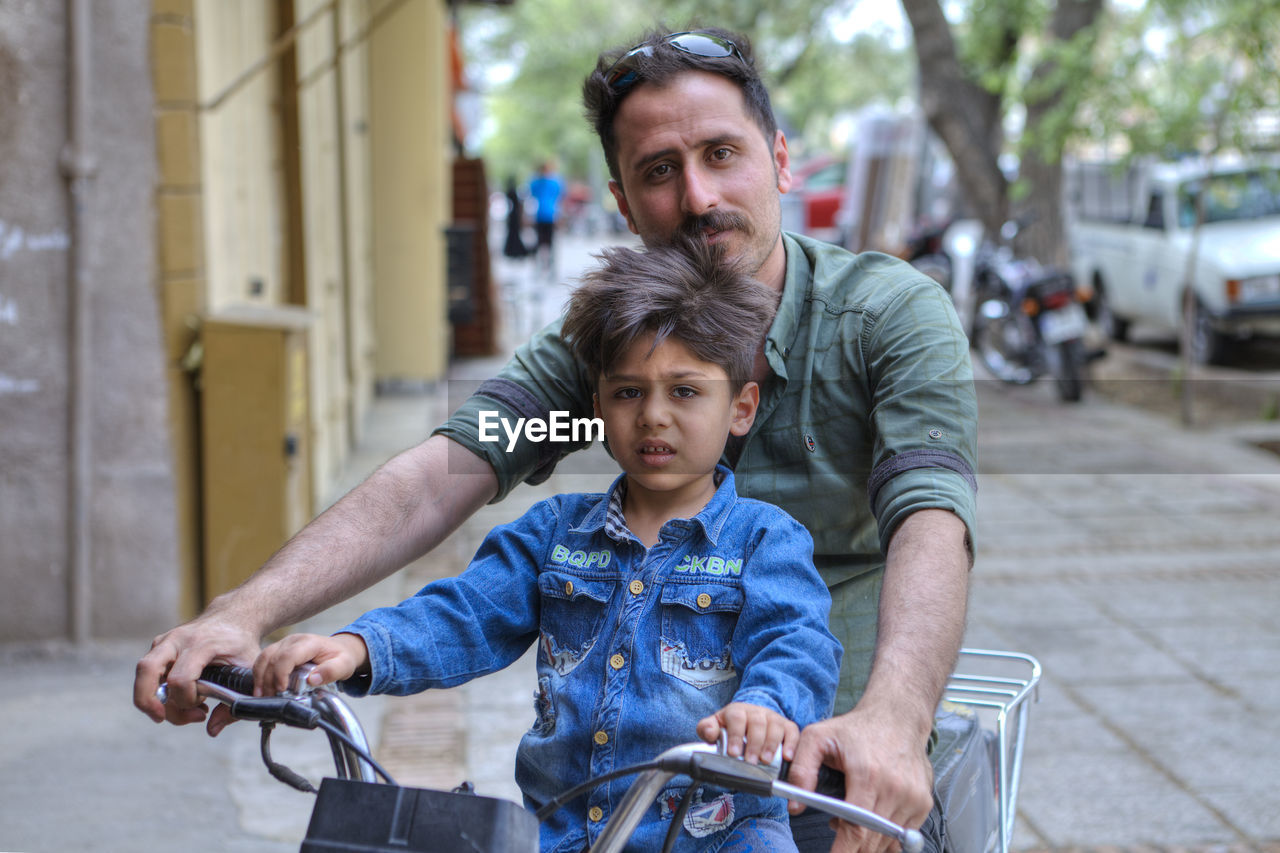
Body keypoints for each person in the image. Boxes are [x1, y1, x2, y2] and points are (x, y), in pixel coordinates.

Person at [136, 26, 977, 853]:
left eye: (723, 153)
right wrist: (248, 611)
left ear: (780, 158)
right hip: (606, 802)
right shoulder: (610, 351)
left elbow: (931, 513)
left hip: (818, 771)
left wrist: (894, 722)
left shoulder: (885, 320)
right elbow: (444, 476)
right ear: (620, 199)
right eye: (658, 171)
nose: (698, 197)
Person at [253, 237, 843, 852]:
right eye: (628, 392)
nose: (654, 416)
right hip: (562, 833)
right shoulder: (555, 532)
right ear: (597, 407)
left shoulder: (764, 540)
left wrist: (766, 707)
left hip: (718, 835)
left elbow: (798, 642)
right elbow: (466, 613)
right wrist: (358, 647)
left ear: (741, 407)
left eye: (686, 391)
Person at [529, 159, 564, 275]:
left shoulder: (539, 182)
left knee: (546, 243)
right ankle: (544, 268)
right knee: (544, 243)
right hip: (545, 216)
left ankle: (547, 268)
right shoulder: (554, 182)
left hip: (547, 216)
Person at [503, 175, 529, 259]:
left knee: (514, 233)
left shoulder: (511, 191)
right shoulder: (513, 192)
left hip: (513, 216)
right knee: (514, 233)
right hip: (514, 215)